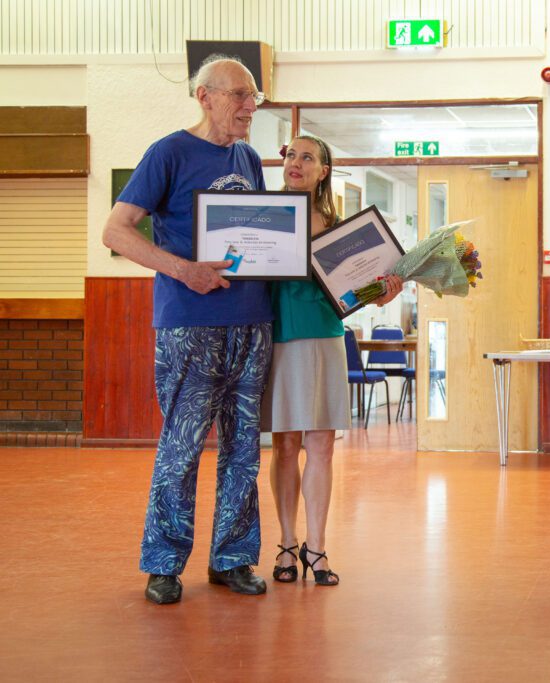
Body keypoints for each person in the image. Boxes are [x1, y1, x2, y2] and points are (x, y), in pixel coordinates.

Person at [103, 56, 274, 605]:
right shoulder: (168, 152)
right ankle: (162, 564)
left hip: (252, 323)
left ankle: (232, 558)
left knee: (244, 449)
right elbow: (116, 230)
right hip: (189, 324)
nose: (250, 107)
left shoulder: (248, 158)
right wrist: (184, 270)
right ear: (204, 96)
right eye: (240, 96)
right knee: (181, 447)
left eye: (254, 98)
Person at [261, 134, 401, 587]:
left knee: (320, 445)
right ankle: (285, 542)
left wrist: (380, 292)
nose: (295, 162)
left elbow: (350, 296)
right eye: (290, 155)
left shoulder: (344, 231)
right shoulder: (264, 215)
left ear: (324, 171)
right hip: (278, 336)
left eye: (307, 157)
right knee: (284, 446)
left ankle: (316, 547)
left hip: (324, 338)